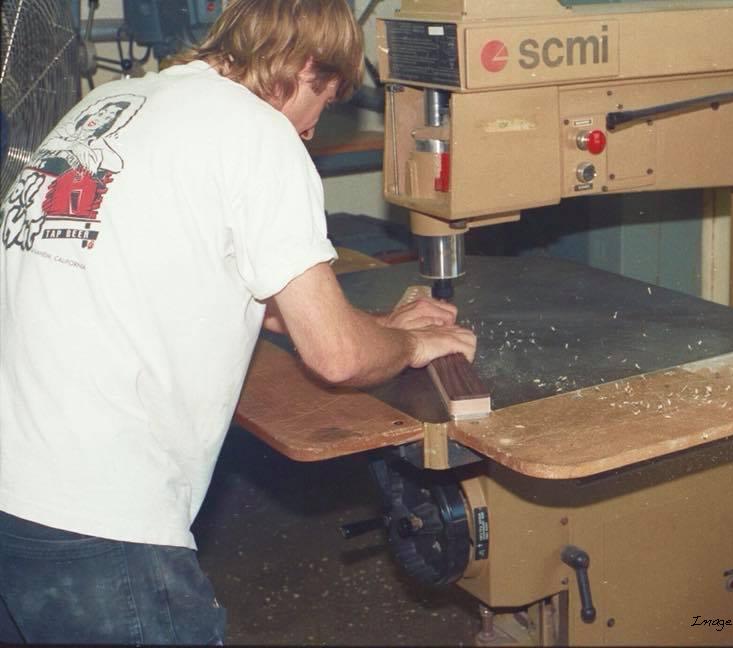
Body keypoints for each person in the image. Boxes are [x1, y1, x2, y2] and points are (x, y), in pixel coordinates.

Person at [0, 0, 476, 644]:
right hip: (97, 512)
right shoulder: (258, 133)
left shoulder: (110, 107)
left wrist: (377, 323)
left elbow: (251, 287)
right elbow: (336, 357)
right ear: (309, 68)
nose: (310, 130)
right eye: (324, 104)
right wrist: (411, 342)